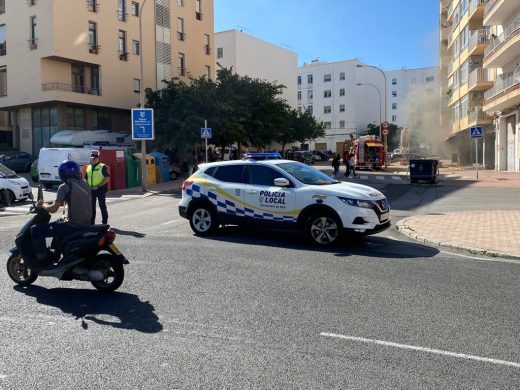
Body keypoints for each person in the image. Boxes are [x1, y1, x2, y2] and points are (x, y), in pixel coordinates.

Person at [31, 160, 92, 269]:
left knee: (36, 230)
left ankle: (41, 260)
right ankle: (56, 254)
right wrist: (56, 203)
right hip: (86, 223)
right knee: (59, 223)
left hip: (73, 225)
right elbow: (74, 201)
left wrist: (43, 206)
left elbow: (53, 209)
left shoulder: (64, 187)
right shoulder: (85, 185)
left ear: (62, 174)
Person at [85, 150, 110, 225]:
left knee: (102, 206)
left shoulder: (102, 166)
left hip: (100, 189)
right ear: (90, 159)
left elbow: (107, 178)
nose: (94, 159)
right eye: (92, 158)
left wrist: (98, 186)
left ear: (98, 159)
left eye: (95, 158)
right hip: (91, 190)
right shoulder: (88, 167)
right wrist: (88, 185)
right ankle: (92, 223)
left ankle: (104, 223)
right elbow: (86, 178)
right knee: (91, 207)